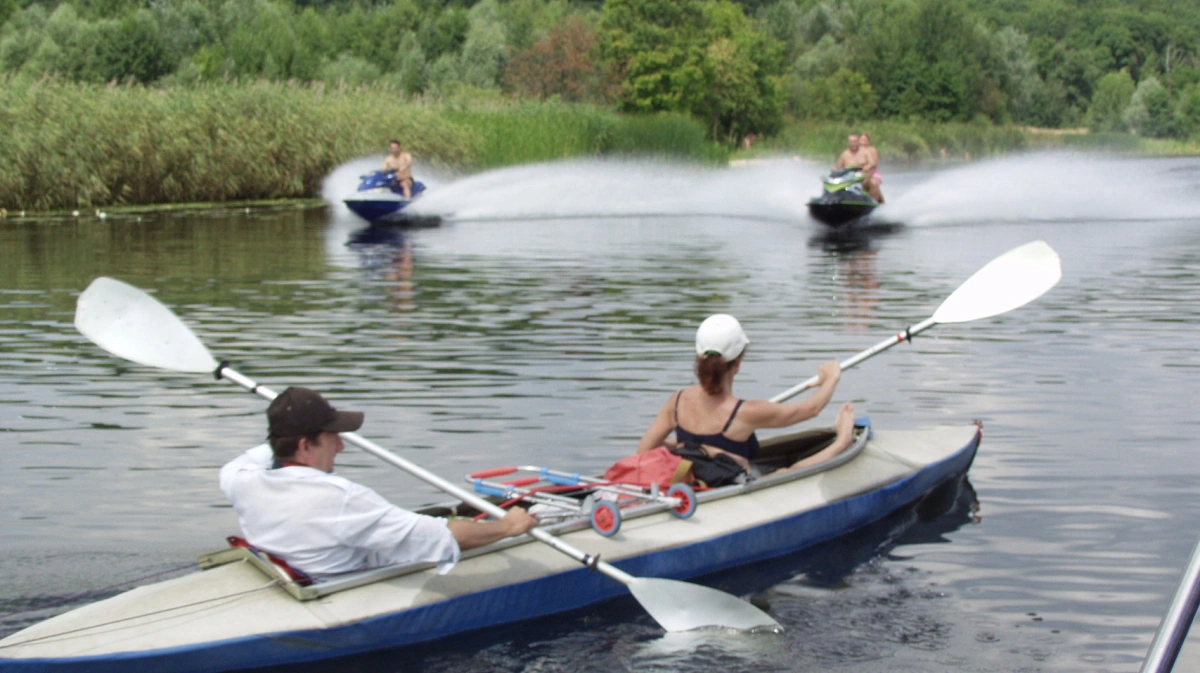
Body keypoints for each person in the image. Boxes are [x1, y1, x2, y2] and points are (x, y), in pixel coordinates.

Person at [220, 386, 537, 581]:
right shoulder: (342, 498)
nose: (342, 447)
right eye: (333, 438)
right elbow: (445, 537)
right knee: (456, 523)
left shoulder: (239, 479)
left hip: (293, 563)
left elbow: (255, 457)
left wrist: (282, 434)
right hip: (345, 580)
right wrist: (508, 527)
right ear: (305, 446)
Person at [636, 314, 857, 475]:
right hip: (728, 487)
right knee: (784, 472)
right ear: (739, 361)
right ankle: (842, 443)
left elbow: (645, 450)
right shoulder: (747, 413)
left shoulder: (676, 402)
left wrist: (689, 447)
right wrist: (831, 378)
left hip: (690, 481)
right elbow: (811, 409)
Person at [858, 131, 885, 203]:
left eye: (865, 140)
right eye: (861, 140)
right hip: (859, 174)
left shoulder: (872, 150)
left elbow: (875, 164)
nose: (863, 142)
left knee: (873, 183)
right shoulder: (856, 151)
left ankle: (878, 202)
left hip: (873, 173)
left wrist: (868, 174)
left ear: (868, 141)